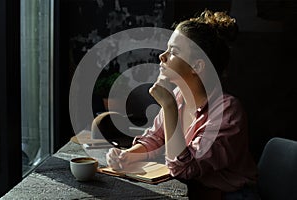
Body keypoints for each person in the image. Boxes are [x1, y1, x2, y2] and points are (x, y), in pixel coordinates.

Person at [105, 10, 259, 199]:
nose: (163, 56)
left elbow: (184, 168)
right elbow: (155, 139)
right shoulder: (178, 97)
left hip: (230, 195)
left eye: (174, 52)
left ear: (197, 67)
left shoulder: (228, 112)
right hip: (193, 190)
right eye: (167, 49)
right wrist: (127, 155)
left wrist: (168, 106)